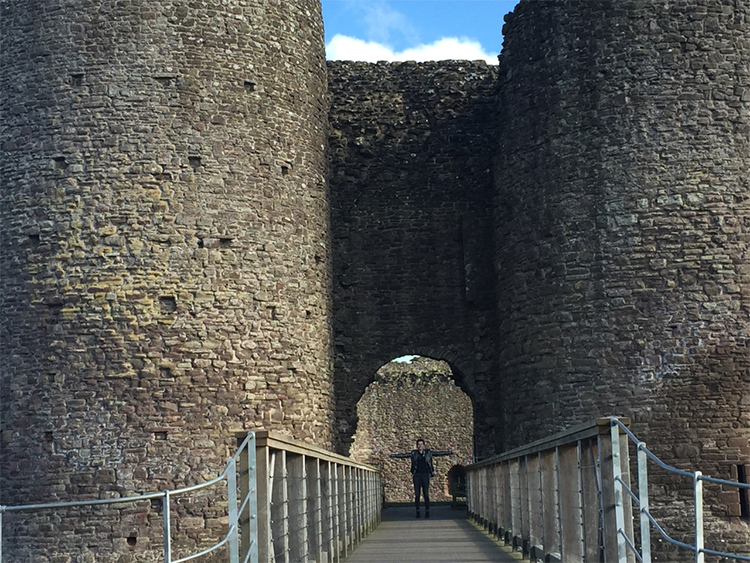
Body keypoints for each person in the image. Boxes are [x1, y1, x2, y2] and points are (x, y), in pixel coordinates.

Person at [390, 438, 453, 519]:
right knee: (417, 494)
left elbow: (438, 453)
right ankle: (418, 511)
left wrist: (449, 452)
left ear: (424, 445)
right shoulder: (414, 453)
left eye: (421, 444)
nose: (420, 446)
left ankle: (427, 511)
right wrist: (393, 455)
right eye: (419, 445)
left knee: (426, 494)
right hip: (417, 475)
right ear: (417, 446)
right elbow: (404, 455)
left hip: (425, 475)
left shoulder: (428, 452)